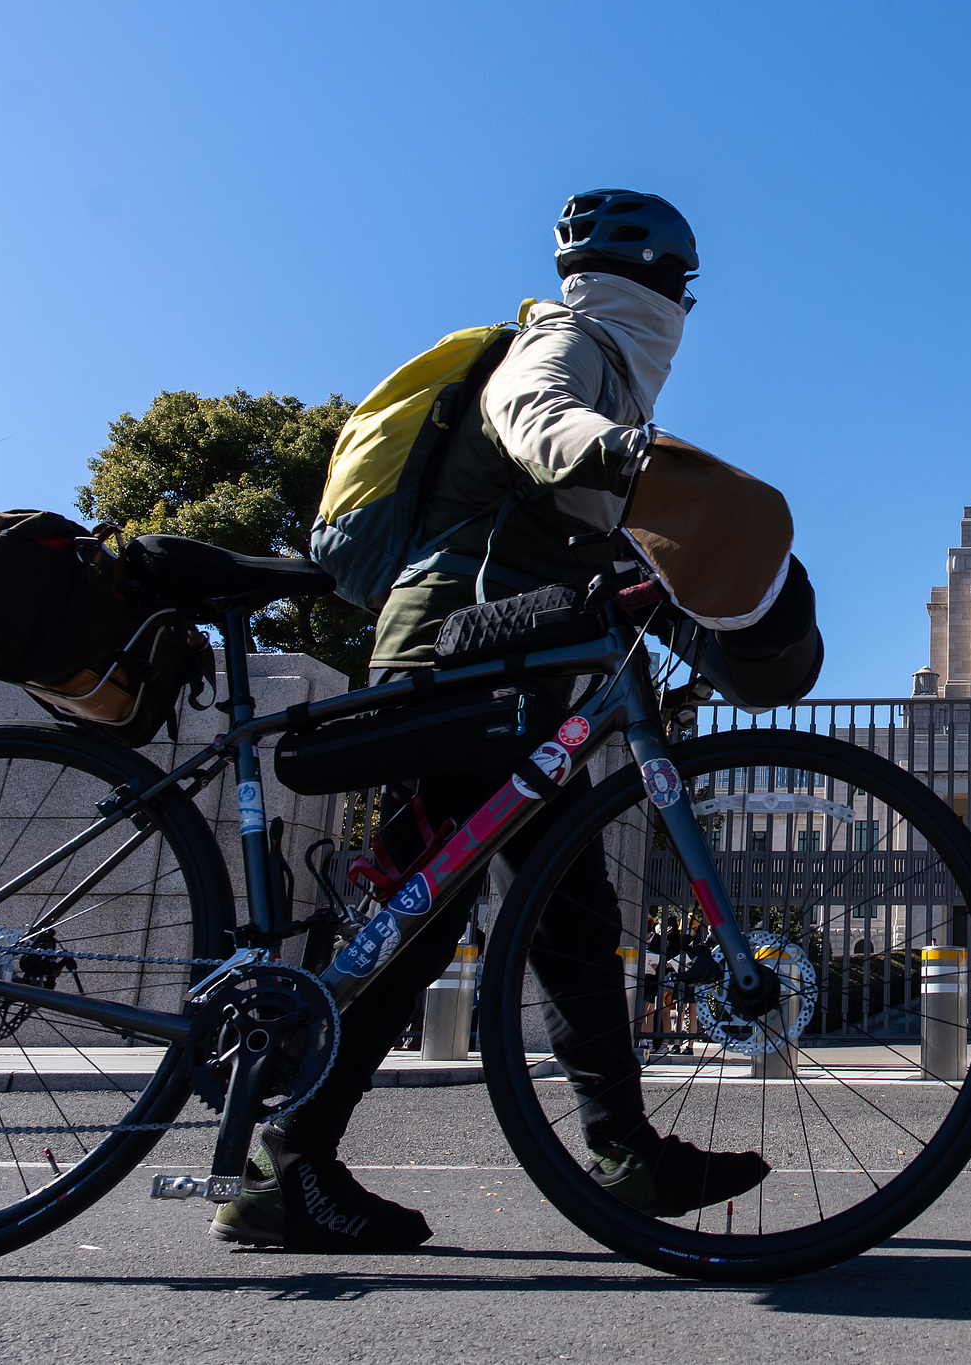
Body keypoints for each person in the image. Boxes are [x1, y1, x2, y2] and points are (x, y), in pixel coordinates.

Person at [214, 190, 772, 1251]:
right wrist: (618, 455)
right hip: (458, 648)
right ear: (663, 284)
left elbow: (593, 552)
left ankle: (621, 1149)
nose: (682, 313)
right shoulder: (566, 346)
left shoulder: (607, 366)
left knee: (562, 912)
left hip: (514, 658)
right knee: (420, 908)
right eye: (682, 291)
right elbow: (537, 422)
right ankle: (288, 1157)